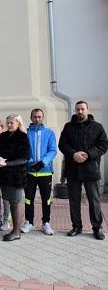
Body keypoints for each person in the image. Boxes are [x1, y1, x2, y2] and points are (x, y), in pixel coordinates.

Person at [59, 101, 108, 240]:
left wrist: (87, 154)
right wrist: (73, 154)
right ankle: (76, 226)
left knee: (94, 200)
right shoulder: (68, 127)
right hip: (73, 169)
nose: (80, 112)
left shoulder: (97, 127)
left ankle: (97, 228)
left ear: (87, 110)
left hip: (90, 169)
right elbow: (62, 144)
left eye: (82, 109)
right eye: (77, 109)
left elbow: (104, 145)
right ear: (75, 110)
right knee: (74, 200)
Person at [0, 114, 31, 241]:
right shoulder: (3, 136)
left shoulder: (22, 137)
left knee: (16, 203)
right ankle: (13, 230)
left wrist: (7, 164)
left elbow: (24, 158)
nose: (9, 125)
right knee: (9, 201)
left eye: (12, 123)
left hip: (17, 175)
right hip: (4, 175)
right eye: (8, 123)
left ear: (18, 124)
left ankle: (16, 231)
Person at [21, 109, 57, 235]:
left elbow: (53, 150)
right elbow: (24, 150)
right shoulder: (25, 133)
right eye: (35, 117)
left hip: (45, 172)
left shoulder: (49, 133)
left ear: (43, 117)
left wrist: (42, 163)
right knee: (28, 198)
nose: (37, 119)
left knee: (46, 199)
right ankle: (29, 222)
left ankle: (46, 223)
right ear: (31, 117)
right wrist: (31, 162)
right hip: (29, 172)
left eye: (40, 117)